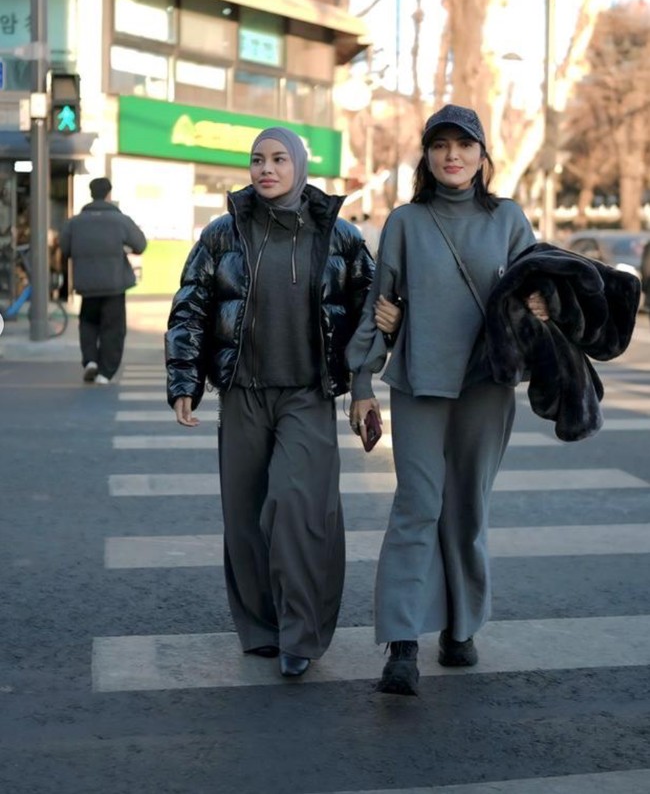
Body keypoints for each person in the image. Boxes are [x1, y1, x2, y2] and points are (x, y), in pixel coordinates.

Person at [165, 127, 400, 679]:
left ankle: (302, 633)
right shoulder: (222, 234)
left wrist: (383, 335)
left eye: (277, 159)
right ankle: (262, 628)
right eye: (257, 159)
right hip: (242, 393)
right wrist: (184, 382)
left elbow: (371, 305)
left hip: (307, 396)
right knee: (245, 517)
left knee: (299, 512)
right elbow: (191, 307)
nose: (266, 168)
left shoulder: (337, 236)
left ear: (298, 165)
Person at [346, 104, 549, 696]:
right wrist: (362, 383)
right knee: (416, 505)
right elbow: (378, 308)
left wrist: (539, 309)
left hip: (486, 386)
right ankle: (402, 644)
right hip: (419, 384)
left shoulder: (509, 219)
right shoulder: (406, 222)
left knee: (467, 510)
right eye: (440, 146)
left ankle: (459, 629)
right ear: (427, 157)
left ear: (483, 157)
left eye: (464, 145)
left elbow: (538, 293)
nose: (452, 156)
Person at [60, 177, 147, 384]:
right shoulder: (120, 220)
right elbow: (140, 245)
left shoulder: (75, 222)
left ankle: (90, 360)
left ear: (91, 194)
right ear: (109, 194)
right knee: (113, 328)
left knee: (88, 323)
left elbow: (64, 249)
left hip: (86, 284)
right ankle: (105, 373)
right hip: (114, 284)